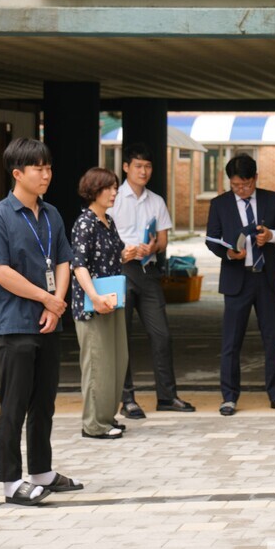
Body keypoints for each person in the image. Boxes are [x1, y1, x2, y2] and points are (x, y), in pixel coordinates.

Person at [0, 138, 83, 505]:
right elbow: (0, 272)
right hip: (14, 323)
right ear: (17, 173)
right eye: (38, 168)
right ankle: (11, 481)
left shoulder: (52, 214)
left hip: (47, 320)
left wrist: (55, 308)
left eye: (48, 167)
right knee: (14, 404)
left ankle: (41, 470)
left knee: (44, 401)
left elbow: (63, 261)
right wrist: (47, 299)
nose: (46, 174)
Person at [109, 143, 193, 415]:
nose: (143, 172)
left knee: (162, 336)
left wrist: (152, 247)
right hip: (120, 272)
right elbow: (102, 238)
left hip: (148, 271)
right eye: (138, 166)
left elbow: (164, 239)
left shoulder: (156, 201)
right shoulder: (113, 198)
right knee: (122, 338)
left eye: (147, 167)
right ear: (126, 168)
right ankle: (127, 399)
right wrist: (123, 251)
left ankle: (167, 397)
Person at [205, 154, 275, 416]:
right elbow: (211, 238)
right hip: (236, 278)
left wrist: (271, 236)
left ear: (255, 178)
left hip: (267, 278)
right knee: (231, 342)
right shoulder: (219, 204)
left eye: (245, 185)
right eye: (235, 186)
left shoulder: (270, 198)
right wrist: (228, 253)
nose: (241, 190)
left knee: (273, 338)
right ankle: (229, 397)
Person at [70, 167, 129, 440]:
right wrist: (93, 296)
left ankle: (106, 416)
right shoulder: (85, 223)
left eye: (115, 187)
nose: (114, 192)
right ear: (94, 190)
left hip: (113, 299)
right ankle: (93, 424)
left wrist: (131, 252)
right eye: (110, 187)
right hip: (93, 304)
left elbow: (115, 255)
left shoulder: (108, 221)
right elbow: (79, 266)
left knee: (116, 360)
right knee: (97, 363)